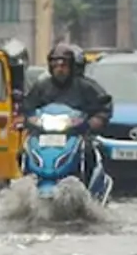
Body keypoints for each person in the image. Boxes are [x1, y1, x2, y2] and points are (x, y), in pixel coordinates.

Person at [20, 42, 113, 182]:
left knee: (88, 152)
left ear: (71, 66)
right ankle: (28, 182)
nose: (60, 69)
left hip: (75, 133)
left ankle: (86, 185)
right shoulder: (41, 87)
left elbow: (104, 105)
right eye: (56, 66)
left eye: (63, 65)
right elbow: (28, 107)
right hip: (44, 135)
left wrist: (95, 120)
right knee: (22, 152)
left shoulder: (85, 87)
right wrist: (28, 119)